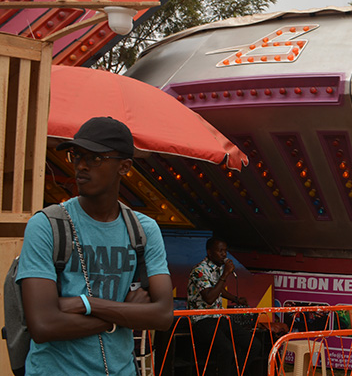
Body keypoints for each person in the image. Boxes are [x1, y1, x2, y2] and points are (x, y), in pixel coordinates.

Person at [16, 116, 173, 374]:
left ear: (124, 167)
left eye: (95, 158)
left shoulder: (143, 230)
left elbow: (163, 316)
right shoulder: (47, 225)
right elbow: (43, 325)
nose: (81, 166)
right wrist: (122, 316)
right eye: (77, 156)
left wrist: (85, 304)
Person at [187, 236, 255, 376]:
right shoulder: (198, 271)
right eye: (220, 251)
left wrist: (236, 299)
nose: (224, 254)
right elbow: (209, 297)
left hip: (218, 317)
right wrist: (225, 274)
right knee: (227, 349)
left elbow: (218, 289)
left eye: (225, 251)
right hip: (202, 319)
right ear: (209, 252)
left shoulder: (217, 268)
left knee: (254, 344)